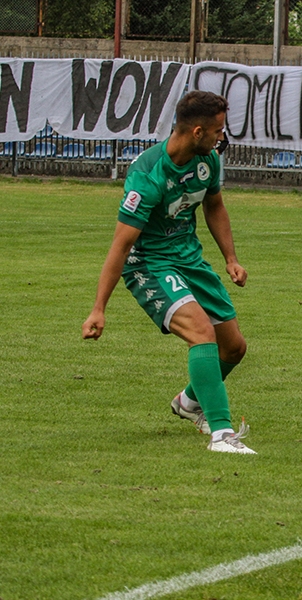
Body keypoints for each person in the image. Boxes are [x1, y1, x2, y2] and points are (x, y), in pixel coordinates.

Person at [81, 91, 255, 455]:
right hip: (150, 263)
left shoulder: (208, 162)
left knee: (234, 347)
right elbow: (120, 246)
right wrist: (99, 308)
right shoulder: (148, 175)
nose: (222, 137)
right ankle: (222, 435)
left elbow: (214, 205)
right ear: (196, 132)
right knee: (201, 331)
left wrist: (230, 258)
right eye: (218, 131)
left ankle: (190, 402)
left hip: (189, 259)